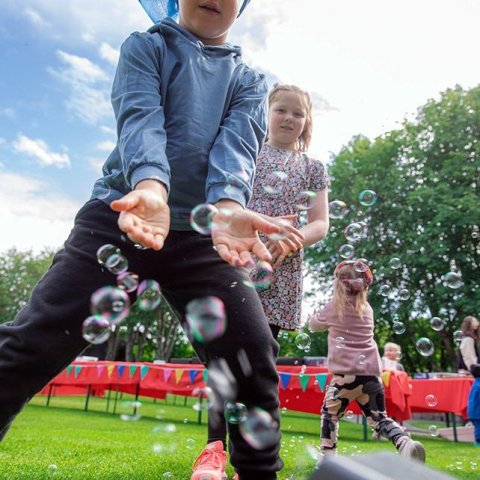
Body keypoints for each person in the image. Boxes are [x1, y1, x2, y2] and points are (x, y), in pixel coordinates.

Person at [0, 1, 289, 479]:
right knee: (36, 340)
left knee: (251, 353)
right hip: (122, 216)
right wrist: (151, 186)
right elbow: (140, 117)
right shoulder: (146, 46)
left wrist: (229, 207)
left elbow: (236, 150)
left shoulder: (249, 81)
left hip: (204, 237)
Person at [192, 83, 329, 480]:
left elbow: (321, 221)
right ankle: (213, 450)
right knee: (224, 355)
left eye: (298, 113)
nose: (289, 118)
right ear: (267, 113)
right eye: (281, 110)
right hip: (236, 255)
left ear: (307, 122)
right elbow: (225, 198)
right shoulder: (247, 150)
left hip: (280, 267)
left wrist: (295, 236)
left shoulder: (313, 167)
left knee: (257, 361)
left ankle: (247, 459)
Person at [308, 260, 426, 462]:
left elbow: (314, 325)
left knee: (330, 415)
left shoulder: (334, 307)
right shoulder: (367, 309)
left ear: (338, 283)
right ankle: (405, 443)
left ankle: (328, 458)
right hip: (371, 376)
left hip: (344, 378)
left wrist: (312, 317)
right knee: (379, 418)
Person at [457, 315, 480, 446]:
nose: (477, 322)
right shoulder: (468, 339)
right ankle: (478, 438)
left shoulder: (471, 339)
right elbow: (470, 359)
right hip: (475, 374)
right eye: (475, 320)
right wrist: (475, 369)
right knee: (476, 407)